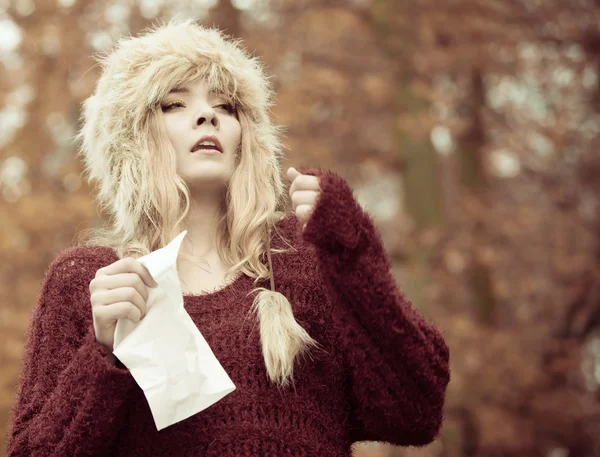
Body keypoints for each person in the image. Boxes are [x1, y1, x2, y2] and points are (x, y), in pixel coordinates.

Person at [6, 18, 450, 457]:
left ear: (246, 138)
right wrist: (104, 352)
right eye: (174, 104)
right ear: (132, 140)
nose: (207, 115)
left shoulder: (306, 256)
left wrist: (353, 253)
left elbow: (415, 411)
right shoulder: (92, 281)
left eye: (227, 106)